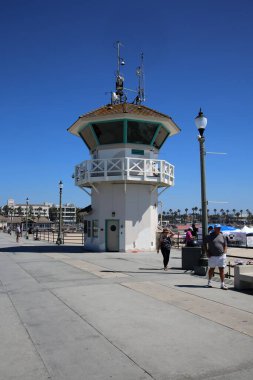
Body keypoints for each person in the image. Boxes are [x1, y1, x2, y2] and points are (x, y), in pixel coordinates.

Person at [205, 224, 228, 290]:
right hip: (212, 256)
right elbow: (204, 243)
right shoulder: (209, 236)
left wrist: (225, 252)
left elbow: (225, 244)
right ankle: (209, 282)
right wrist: (207, 252)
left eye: (219, 228)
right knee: (211, 269)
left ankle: (222, 284)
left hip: (221, 256)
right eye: (217, 228)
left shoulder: (222, 236)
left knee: (222, 269)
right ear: (214, 228)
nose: (219, 229)